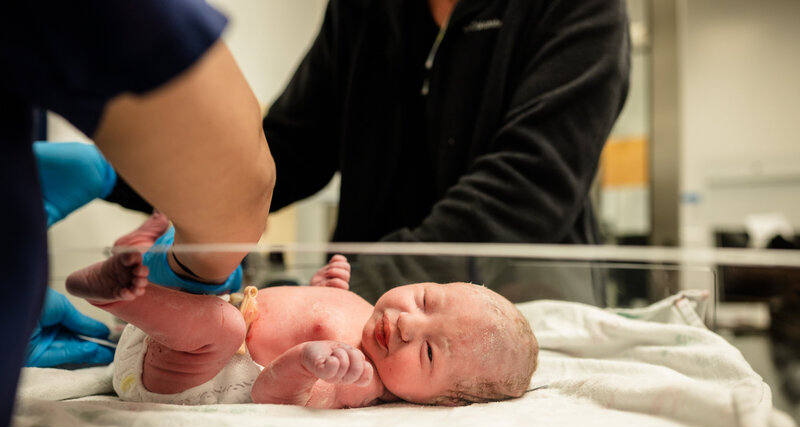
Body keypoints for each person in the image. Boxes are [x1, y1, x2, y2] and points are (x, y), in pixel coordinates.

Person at [103, 0, 630, 299]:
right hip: (354, 310)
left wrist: (357, 281)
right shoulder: (365, 8)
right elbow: (290, 147)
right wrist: (121, 175)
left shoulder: (579, 8)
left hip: (524, 304)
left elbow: (529, 187)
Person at [1, 1, 276, 427]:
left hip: (192, 344)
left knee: (217, 326)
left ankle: (134, 290)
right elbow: (240, 183)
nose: (407, 319)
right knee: (218, 323)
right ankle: (144, 286)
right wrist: (204, 267)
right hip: (200, 323)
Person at [65, 214, 539, 408]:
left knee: (222, 325)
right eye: (426, 300)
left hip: (190, 380)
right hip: (182, 328)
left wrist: (304, 363)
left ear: (437, 400)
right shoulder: (369, 315)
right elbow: (301, 311)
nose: (409, 324)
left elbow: (271, 398)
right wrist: (320, 291)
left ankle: (121, 293)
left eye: (431, 353)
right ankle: (146, 266)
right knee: (216, 280)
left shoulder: (359, 380)